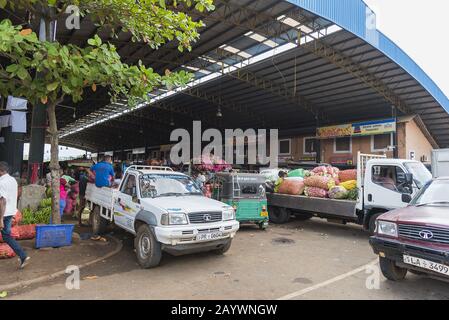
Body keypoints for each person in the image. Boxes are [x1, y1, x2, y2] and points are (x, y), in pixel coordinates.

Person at [0, 162, 30, 269]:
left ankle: (23, 255)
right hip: (10, 212)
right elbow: (16, 194)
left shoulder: (2, 182)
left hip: (3, 214)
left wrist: (0, 219)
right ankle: (23, 255)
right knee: (6, 236)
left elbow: (2, 201)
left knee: (6, 236)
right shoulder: (13, 180)